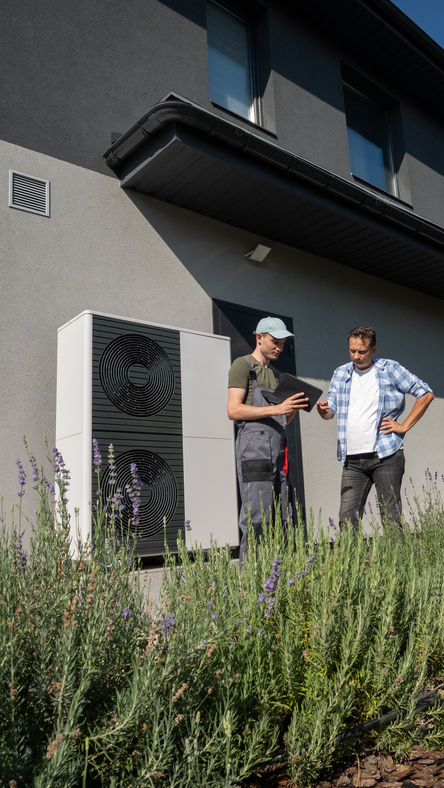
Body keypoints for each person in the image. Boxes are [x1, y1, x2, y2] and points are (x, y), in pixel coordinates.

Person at [316, 326, 434, 530]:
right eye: (352, 350)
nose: (356, 356)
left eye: (361, 351)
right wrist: (322, 409)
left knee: (390, 517)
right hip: (352, 458)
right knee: (346, 519)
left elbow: (426, 394)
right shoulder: (341, 373)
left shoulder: (390, 369)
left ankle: (397, 561)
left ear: (373, 349)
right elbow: (329, 412)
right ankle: (350, 562)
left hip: (386, 455)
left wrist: (404, 426)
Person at [228, 316, 308, 561]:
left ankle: (274, 572)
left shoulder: (275, 376)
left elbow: (282, 421)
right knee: (256, 514)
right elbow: (234, 410)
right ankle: (250, 576)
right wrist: (276, 409)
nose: (279, 348)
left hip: (277, 450)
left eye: (283, 344)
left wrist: (292, 408)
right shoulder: (242, 366)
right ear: (259, 338)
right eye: (275, 342)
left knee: (279, 514)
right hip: (254, 450)